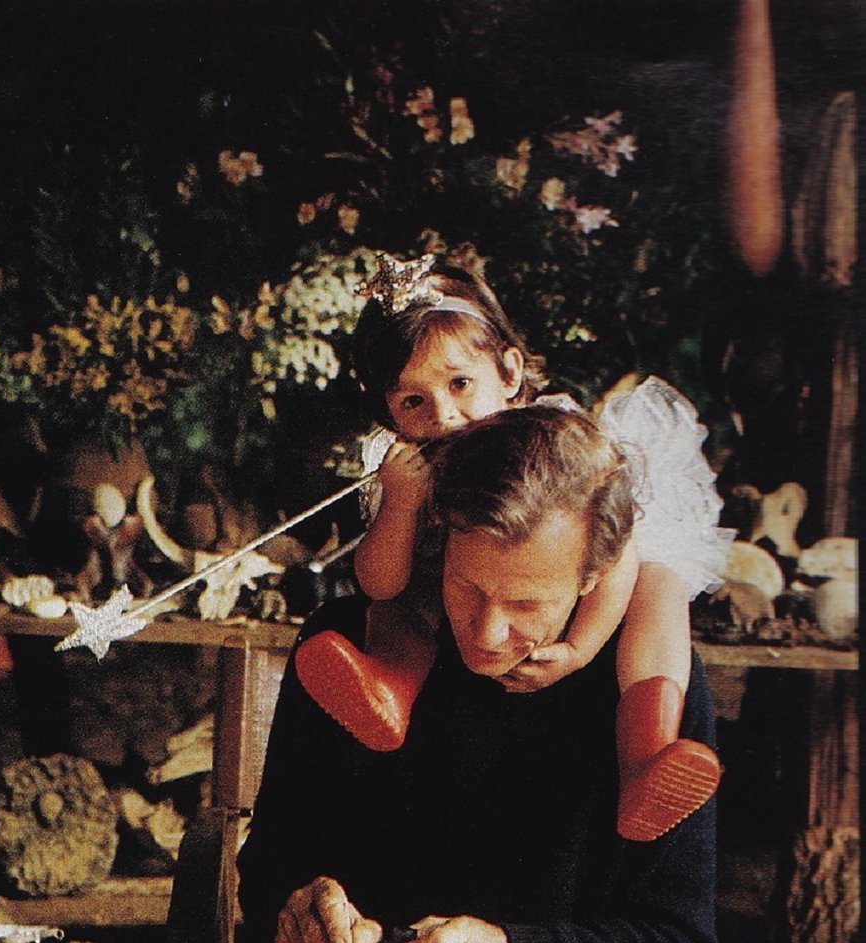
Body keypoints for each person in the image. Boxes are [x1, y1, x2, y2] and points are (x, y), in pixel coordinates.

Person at [237, 404, 719, 943]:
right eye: (467, 587)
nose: (488, 634)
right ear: (442, 543)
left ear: (594, 577)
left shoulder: (647, 680)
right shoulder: (351, 646)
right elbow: (269, 870)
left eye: (527, 605)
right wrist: (297, 918)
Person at [295, 254, 733, 842]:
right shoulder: (406, 467)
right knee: (400, 605)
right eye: (412, 402)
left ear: (508, 373)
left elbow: (615, 560)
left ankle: (646, 754)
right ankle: (389, 688)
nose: (445, 415)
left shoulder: (553, 444)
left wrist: (578, 648)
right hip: (452, 599)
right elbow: (380, 584)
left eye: (459, 384)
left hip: (589, 578)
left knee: (659, 586)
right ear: (388, 411)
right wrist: (399, 505)